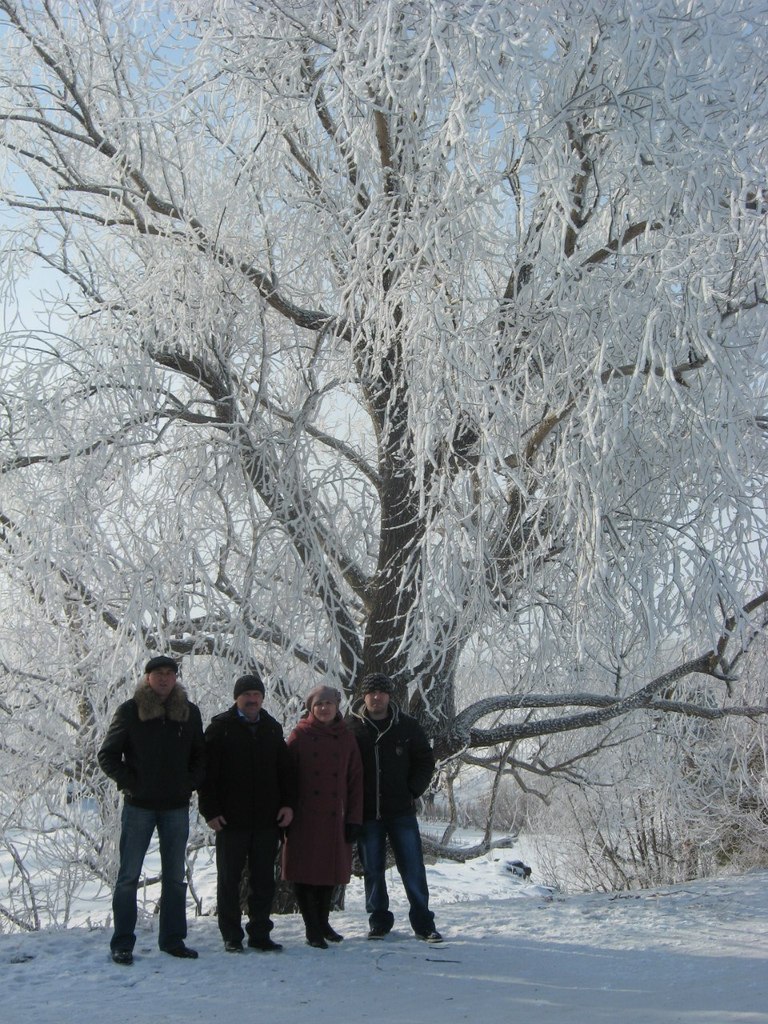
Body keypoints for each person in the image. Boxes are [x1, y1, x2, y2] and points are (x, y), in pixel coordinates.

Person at [98, 655, 205, 965]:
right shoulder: (131, 711)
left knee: (174, 876)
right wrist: (131, 784)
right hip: (139, 807)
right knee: (129, 876)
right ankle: (122, 943)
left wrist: (189, 783)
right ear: (147, 678)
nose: (164, 679)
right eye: (158, 673)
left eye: (170, 674)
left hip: (175, 806)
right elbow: (107, 755)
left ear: (175, 679)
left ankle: (173, 940)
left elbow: (201, 756)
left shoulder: (188, 712)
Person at [198, 672, 295, 953]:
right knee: (229, 879)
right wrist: (211, 811)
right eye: (247, 695)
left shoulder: (271, 728)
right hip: (231, 820)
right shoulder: (220, 728)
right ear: (236, 698)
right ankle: (231, 934)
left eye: (257, 695)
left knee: (263, 879)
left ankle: (260, 933)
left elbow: (285, 771)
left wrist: (288, 804)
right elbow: (208, 776)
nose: (252, 700)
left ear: (262, 698)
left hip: (266, 819)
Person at [348, 672, 443, 943]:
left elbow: (425, 760)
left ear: (390, 696)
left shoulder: (407, 726)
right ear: (364, 696)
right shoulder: (351, 727)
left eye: (382, 692)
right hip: (368, 813)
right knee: (373, 869)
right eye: (371, 692)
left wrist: (412, 790)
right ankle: (378, 921)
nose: (376, 697)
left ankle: (424, 923)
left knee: (413, 867)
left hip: (400, 811)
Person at [281, 685, 363, 948]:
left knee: (329, 873)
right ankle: (311, 927)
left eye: (329, 704)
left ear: (337, 707)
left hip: (334, 819)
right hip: (304, 817)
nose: (324, 708)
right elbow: (286, 777)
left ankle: (323, 922)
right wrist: (286, 810)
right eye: (319, 704)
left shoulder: (346, 738)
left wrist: (354, 819)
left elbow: (355, 780)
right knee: (305, 873)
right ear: (311, 708)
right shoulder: (299, 736)